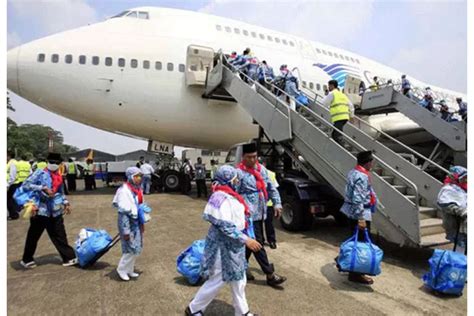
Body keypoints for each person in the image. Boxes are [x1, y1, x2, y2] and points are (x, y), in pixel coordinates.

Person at [186, 165, 261, 316]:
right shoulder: (219, 197)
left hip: (234, 246)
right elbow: (225, 226)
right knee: (218, 279)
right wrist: (246, 239)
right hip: (222, 246)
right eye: (234, 178)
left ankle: (242, 312)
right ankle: (193, 309)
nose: (237, 181)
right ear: (227, 179)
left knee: (239, 279)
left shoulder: (231, 195)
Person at [237, 143, 286, 287]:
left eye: (254, 157)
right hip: (247, 215)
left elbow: (271, 188)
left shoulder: (261, 170)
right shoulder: (238, 173)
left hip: (261, 213)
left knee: (249, 244)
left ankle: (241, 268)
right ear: (243, 157)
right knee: (257, 242)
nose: (252, 160)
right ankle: (270, 274)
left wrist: (277, 203)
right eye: (249, 157)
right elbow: (233, 194)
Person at [20, 152, 78, 269]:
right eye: (51, 162)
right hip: (40, 210)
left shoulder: (59, 176)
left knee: (59, 233)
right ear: (47, 162)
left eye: (57, 163)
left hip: (55, 209)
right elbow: (25, 185)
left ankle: (68, 257)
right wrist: (42, 188)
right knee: (34, 235)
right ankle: (27, 259)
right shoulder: (40, 173)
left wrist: (65, 202)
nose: (54, 165)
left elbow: (60, 192)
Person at [339, 151, 378, 284]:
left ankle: (347, 262)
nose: (372, 164)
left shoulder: (353, 172)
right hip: (360, 213)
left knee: (354, 239)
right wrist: (361, 218)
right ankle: (356, 274)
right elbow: (358, 198)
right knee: (360, 245)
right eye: (372, 161)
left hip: (352, 212)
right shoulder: (362, 176)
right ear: (368, 162)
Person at [113, 167, 146, 281]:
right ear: (131, 177)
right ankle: (121, 269)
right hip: (127, 223)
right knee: (129, 248)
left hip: (136, 222)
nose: (139, 179)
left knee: (136, 247)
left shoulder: (136, 189)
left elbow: (139, 206)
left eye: (140, 176)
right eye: (137, 176)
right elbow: (123, 214)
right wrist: (125, 231)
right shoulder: (124, 191)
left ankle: (129, 269)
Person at [437, 166, 467, 254]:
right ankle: (458, 265)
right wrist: (461, 211)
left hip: (465, 223)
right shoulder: (448, 190)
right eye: (463, 178)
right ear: (455, 177)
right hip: (457, 224)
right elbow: (446, 204)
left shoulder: (463, 189)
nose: (466, 180)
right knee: (461, 245)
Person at [322, 80, 354, 145]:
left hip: (338, 117)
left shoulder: (332, 93)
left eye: (329, 86)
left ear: (332, 86)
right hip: (345, 117)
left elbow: (324, 103)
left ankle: (343, 148)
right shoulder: (342, 95)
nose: (328, 88)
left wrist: (326, 95)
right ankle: (342, 146)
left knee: (336, 135)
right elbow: (351, 105)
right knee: (335, 134)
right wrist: (352, 116)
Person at [261, 159, 278, 249]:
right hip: (259, 204)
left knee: (268, 224)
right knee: (261, 224)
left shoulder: (270, 174)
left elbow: (274, 190)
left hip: (268, 204)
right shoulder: (252, 174)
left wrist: (276, 203)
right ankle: (265, 241)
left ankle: (269, 241)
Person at [7, 151, 20, 220]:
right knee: (11, 200)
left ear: (8, 156)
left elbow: (12, 176)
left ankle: (13, 215)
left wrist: (7, 185)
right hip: (13, 184)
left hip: (12, 184)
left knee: (9, 200)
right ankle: (13, 214)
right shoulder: (12, 162)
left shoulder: (12, 163)